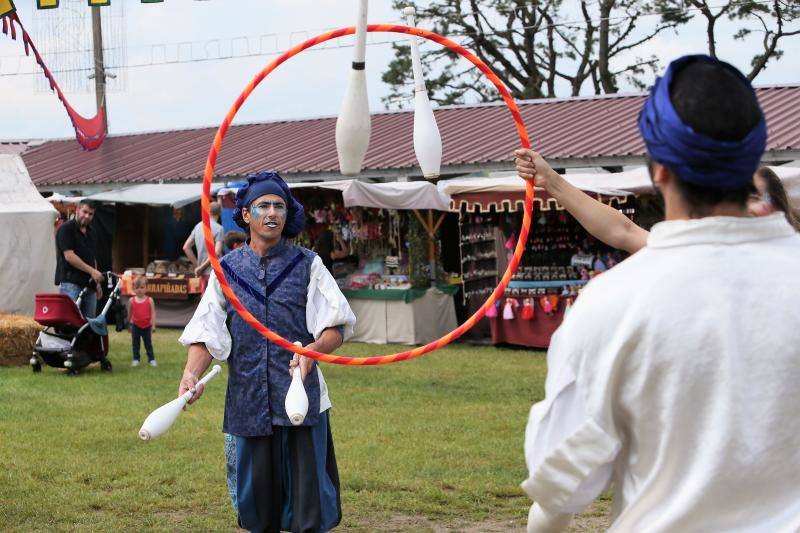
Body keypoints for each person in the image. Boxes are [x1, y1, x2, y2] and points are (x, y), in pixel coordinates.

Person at [518, 55, 800, 532]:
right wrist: (551, 179)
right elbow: (625, 230)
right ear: (752, 160)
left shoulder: (614, 302)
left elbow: (560, 484)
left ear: (659, 170)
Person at [177, 171, 356, 533]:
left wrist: (313, 350)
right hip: (248, 398)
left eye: (279, 206)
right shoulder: (225, 271)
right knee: (257, 509)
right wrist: (191, 374)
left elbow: (335, 326)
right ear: (245, 214)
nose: (272, 213)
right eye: (263, 206)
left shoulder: (308, 265)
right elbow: (207, 331)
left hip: (299, 397)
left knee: (308, 508)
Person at [55, 199, 103, 318]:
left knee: (89, 325)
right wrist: (92, 271)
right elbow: (69, 256)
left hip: (89, 285)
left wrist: (97, 284)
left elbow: (92, 258)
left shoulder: (92, 232)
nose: (87, 216)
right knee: (70, 322)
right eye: (84, 212)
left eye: (90, 214)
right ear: (77, 210)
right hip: (71, 283)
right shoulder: (66, 229)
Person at [183, 201, 224, 292]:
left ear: (208, 211)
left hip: (203, 274)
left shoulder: (198, 226)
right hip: (215, 274)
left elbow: (186, 247)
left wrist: (198, 266)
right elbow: (216, 253)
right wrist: (201, 268)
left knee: (204, 303)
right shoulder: (219, 228)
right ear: (220, 213)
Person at [126, 276, 157, 368]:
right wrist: (128, 325)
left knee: (148, 343)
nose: (139, 290)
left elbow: (153, 313)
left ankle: (151, 359)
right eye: (137, 287)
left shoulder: (150, 300)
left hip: (147, 326)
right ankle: (136, 359)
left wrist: (153, 325)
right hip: (135, 325)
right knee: (135, 344)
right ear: (134, 289)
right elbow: (129, 314)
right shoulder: (131, 301)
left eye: (142, 287)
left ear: (146, 288)